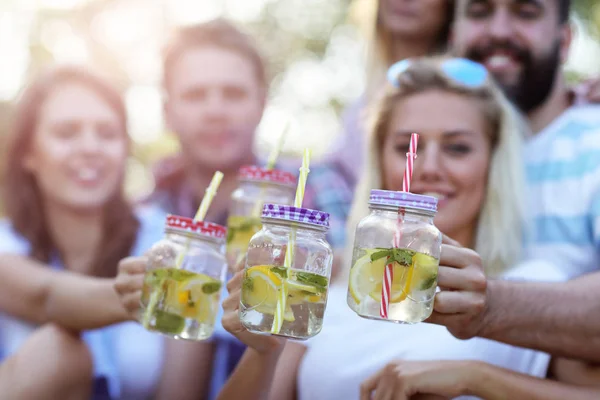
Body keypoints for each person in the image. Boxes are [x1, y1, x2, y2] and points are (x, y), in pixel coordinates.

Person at [119, 57, 594, 399]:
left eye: (457, 148)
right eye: (406, 147)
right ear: (380, 161)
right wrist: (263, 353)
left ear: (494, 163)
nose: (428, 168)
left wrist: (478, 378)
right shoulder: (325, 289)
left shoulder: (535, 288)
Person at [423, 0, 600, 363]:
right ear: (454, 37)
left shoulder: (593, 143)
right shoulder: (425, 157)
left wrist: (484, 306)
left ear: (565, 40)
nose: (499, 31)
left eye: (526, 12)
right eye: (479, 12)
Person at [0, 66, 174, 399]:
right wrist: (137, 294)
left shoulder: (166, 240)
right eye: (66, 133)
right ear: (28, 155)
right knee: (56, 351)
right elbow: (47, 297)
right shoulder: (5, 245)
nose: (90, 147)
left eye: (108, 133)